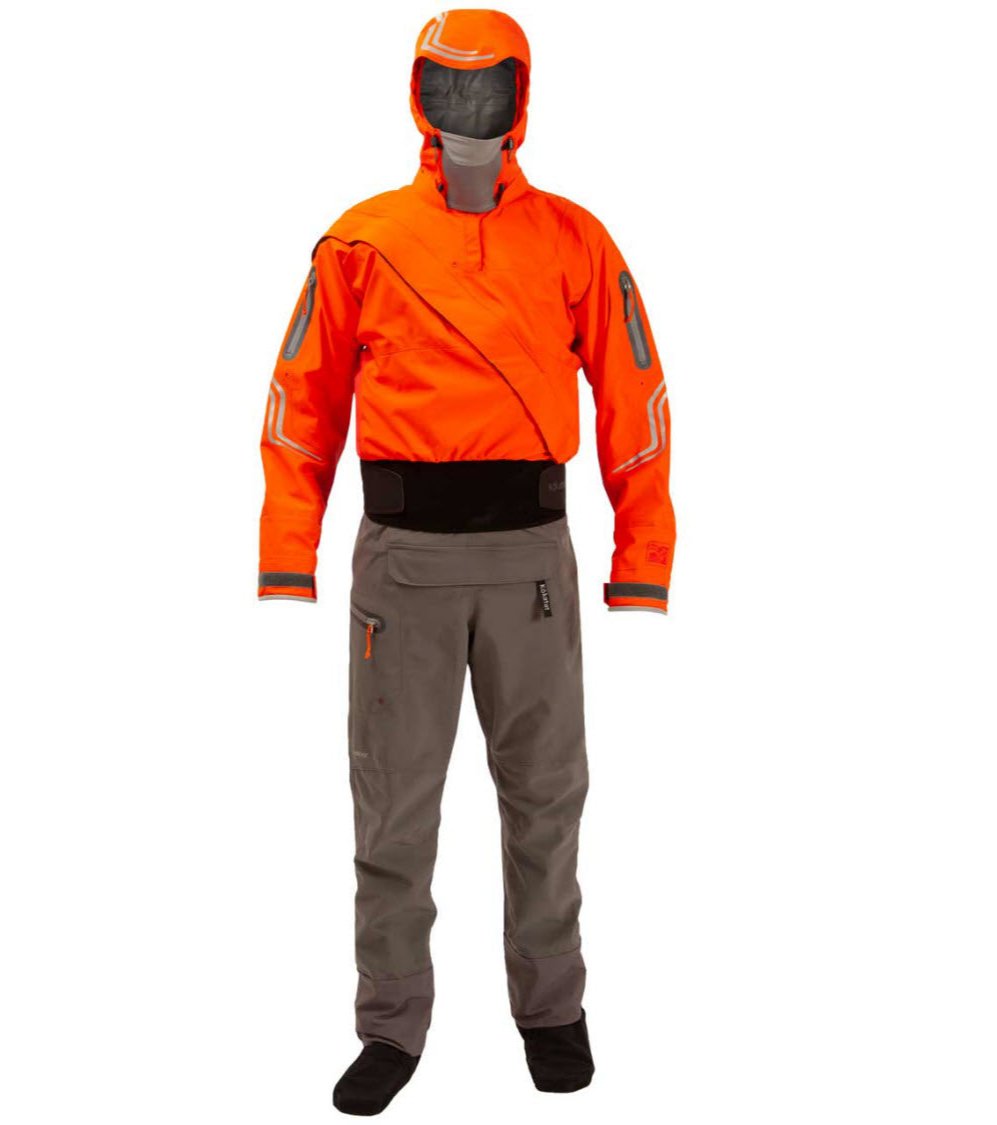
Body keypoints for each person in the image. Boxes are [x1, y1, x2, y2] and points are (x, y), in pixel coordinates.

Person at [257, 9, 676, 1115]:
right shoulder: (360, 240)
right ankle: (390, 1022)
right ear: (416, 96)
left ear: (523, 97)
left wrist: (642, 555)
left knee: (547, 795)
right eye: (447, 84)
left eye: (490, 84)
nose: (468, 105)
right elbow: (303, 401)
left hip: (531, 563)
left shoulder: (575, 240)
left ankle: (552, 1008)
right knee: (393, 806)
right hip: (402, 568)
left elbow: (635, 395)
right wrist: (287, 548)